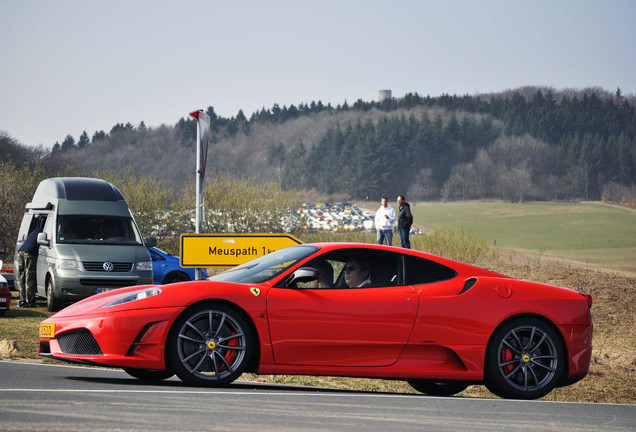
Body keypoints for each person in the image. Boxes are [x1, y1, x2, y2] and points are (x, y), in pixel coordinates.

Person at [17, 228, 42, 307]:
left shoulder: (35, 231)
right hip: (29, 254)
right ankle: (30, 302)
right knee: (30, 278)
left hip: (21, 252)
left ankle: (22, 300)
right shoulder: (43, 233)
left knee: (22, 277)